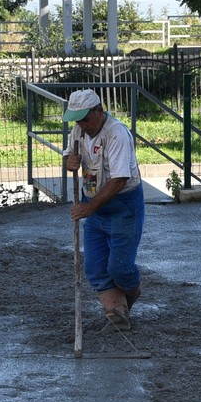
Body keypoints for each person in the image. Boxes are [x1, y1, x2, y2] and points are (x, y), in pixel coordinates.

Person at [61, 89, 145, 328]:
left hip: (123, 205)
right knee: (96, 267)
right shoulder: (79, 130)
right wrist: (70, 162)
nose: (82, 124)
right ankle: (117, 317)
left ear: (99, 111)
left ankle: (131, 292)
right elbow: (69, 157)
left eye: (86, 119)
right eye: (78, 120)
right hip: (95, 205)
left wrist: (88, 208)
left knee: (119, 268)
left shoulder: (116, 133)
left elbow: (119, 180)